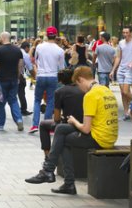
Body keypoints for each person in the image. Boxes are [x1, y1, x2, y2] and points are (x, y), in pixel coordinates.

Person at [25, 66, 119, 195]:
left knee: (62, 138)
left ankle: (53, 174)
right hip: (109, 135)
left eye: (78, 85)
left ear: (80, 79)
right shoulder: (105, 90)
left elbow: (86, 129)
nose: (80, 89)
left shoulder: (90, 95)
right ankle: (53, 174)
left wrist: (74, 121)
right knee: (61, 129)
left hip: (100, 138)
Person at [38, 68, 84, 158]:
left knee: (43, 125)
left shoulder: (59, 92)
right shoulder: (83, 90)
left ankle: (47, 157)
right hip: (84, 123)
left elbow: (57, 118)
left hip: (69, 124)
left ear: (61, 80)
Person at [29, 26, 65, 134]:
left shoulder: (39, 47)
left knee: (37, 100)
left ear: (46, 35)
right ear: (56, 35)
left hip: (41, 75)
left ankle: (35, 125)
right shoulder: (60, 50)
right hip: (53, 76)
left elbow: (35, 59)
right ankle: (47, 125)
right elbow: (61, 67)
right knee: (50, 101)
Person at [0, 32, 25, 133]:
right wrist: (18, 76)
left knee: (0, 102)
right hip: (13, 79)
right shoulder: (17, 49)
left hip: (1, 80)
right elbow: (20, 65)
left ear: (2, 38)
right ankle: (19, 119)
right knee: (13, 100)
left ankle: (0, 125)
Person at [111, 26, 132, 120]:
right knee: (122, 93)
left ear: (131, 33)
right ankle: (126, 113)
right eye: (123, 32)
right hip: (121, 69)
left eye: (127, 32)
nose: (125, 34)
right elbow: (118, 57)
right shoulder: (121, 42)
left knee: (126, 91)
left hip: (130, 69)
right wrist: (113, 70)